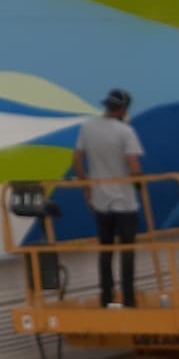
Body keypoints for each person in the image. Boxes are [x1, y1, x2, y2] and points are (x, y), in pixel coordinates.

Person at [73, 89, 144, 308]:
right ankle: (128, 300)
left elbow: (78, 158)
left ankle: (106, 298)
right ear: (123, 109)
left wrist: (86, 188)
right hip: (124, 200)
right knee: (127, 251)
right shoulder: (125, 131)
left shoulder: (88, 127)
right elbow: (134, 166)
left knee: (105, 249)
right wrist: (139, 184)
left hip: (100, 198)